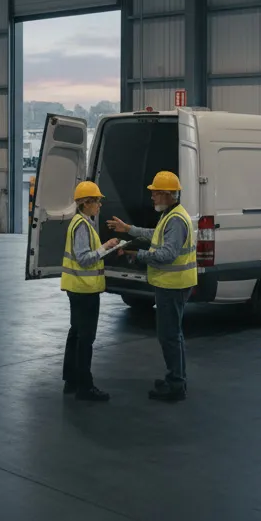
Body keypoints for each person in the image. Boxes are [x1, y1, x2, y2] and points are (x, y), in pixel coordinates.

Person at [107, 171, 197, 403]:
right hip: (171, 284)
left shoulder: (175, 220)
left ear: (168, 195)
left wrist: (136, 255)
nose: (153, 198)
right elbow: (154, 235)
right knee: (171, 334)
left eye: (156, 193)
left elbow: (167, 254)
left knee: (169, 336)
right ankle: (175, 378)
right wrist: (128, 229)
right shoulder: (171, 215)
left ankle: (176, 384)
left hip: (173, 285)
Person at [61, 180, 120, 402]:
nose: (99, 205)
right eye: (96, 201)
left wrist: (105, 247)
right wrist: (105, 248)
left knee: (76, 334)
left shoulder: (80, 222)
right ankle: (85, 387)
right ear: (86, 203)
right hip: (84, 290)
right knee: (85, 338)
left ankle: (71, 381)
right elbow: (84, 259)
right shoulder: (82, 226)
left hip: (77, 288)